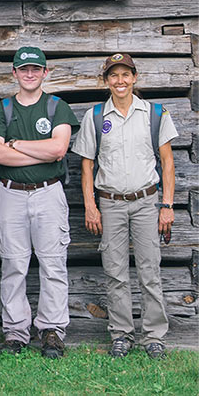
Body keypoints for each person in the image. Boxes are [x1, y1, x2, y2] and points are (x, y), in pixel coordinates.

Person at [74, 53, 178, 360]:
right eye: (113, 76)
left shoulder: (154, 113)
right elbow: (86, 167)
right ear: (105, 81)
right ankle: (121, 334)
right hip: (110, 204)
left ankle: (154, 335)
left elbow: (168, 162)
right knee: (115, 271)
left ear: (135, 78)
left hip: (146, 201)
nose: (120, 81)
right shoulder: (95, 117)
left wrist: (167, 205)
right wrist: (90, 206)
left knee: (150, 270)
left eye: (125, 75)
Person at [0, 46, 79, 358]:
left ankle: (51, 330)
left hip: (48, 192)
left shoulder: (56, 107)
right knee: (14, 264)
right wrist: (37, 149)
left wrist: (17, 144)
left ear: (44, 72)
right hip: (11, 193)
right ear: (14, 73)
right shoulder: (2, 109)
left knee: (53, 263)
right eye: (23, 69)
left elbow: (58, 150)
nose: (29, 74)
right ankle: (15, 332)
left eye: (35, 69)